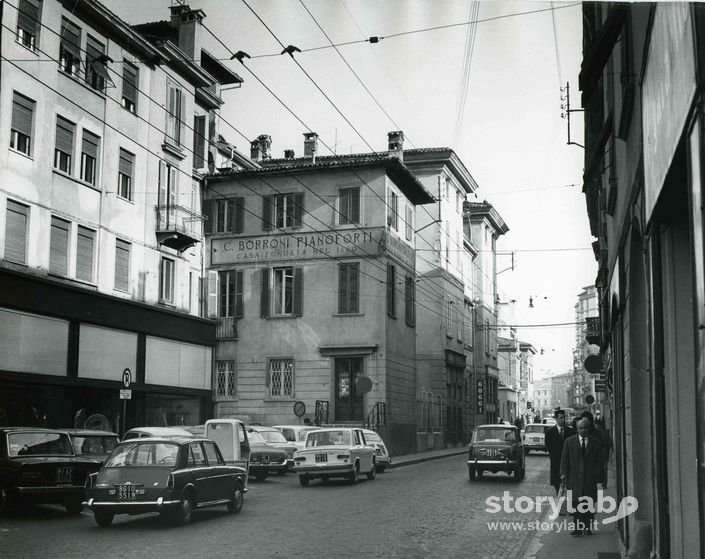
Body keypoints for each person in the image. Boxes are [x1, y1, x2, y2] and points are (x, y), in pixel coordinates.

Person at [560, 418, 607, 536]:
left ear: (589, 428)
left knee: (589, 504)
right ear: (577, 429)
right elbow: (564, 459)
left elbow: (600, 460)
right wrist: (563, 474)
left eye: (585, 428)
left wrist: (596, 474)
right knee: (576, 505)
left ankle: (587, 527)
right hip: (574, 478)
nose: (583, 430)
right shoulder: (569, 442)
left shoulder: (595, 442)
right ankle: (577, 528)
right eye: (580, 428)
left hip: (589, 478)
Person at [545, 408, 575, 497]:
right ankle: (560, 499)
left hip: (569, 462)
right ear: (556, 419)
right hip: (556, 461)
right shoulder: (550, 433)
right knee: (556, 483)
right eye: (561, 418)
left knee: (569, 483)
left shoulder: (570, 431)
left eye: (564, 418)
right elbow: (549, 447)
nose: (563, 420)